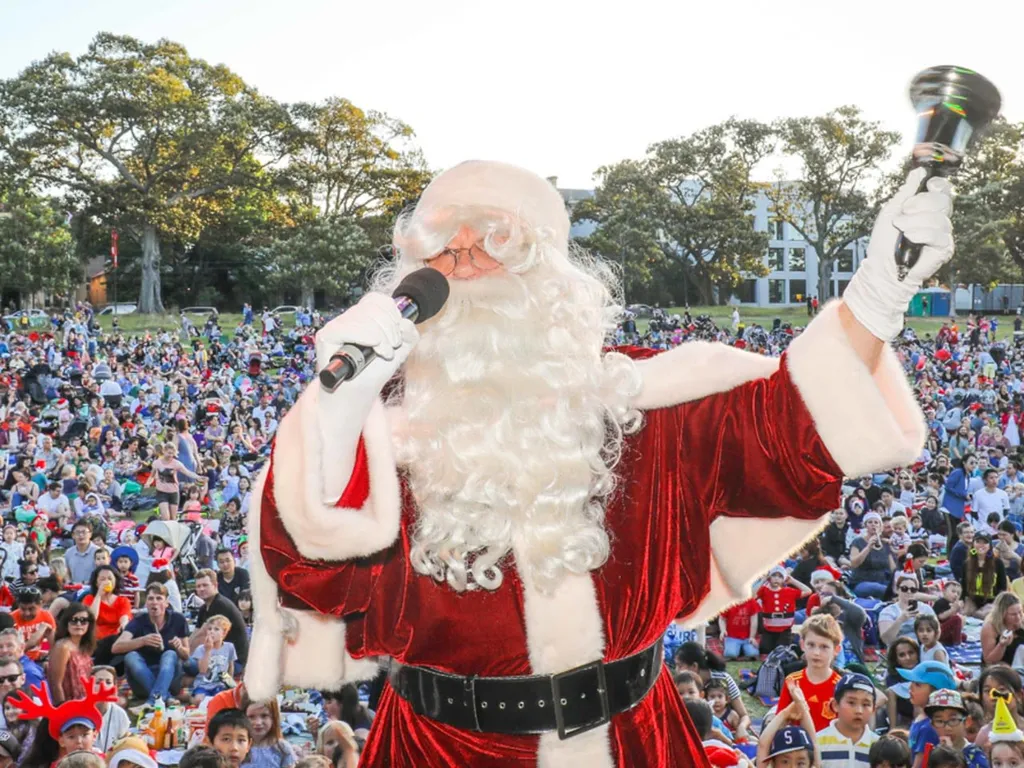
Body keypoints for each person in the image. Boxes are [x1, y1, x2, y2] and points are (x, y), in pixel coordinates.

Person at [249, 160, 955, 766]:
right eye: (442, 248)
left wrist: (878, 291)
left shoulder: (645, 399)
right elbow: (311, 572)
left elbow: (798, 425)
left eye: (492, 242)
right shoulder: (373, 423)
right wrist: (336, 412)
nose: (462, 264)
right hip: (443, 745)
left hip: (636, 736)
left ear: (548, 275)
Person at [110, 583, 189, 707]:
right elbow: (116, 647)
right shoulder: (138, 621)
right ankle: (164, 696)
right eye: (150, 598)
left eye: (159, 598)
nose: (154, 602)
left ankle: (153, 701)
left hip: (170, 678)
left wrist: (179, 647)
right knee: (131, 656)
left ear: (167, 603)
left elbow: (186, 656)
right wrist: (142, 641)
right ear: (146, 603)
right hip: (142, 680)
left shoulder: (177, 619)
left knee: (170, 654)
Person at [11, 679, 117, 768]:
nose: (79, 741)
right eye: (71, 737)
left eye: (84, 735)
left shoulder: (105, 761)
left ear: (94, 735)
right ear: (61, 740)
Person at [774, 615, 844, 733]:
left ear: (836, 650)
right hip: (799, 747)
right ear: (802, 645)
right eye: (811, 645)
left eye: (824, 647)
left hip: (829, 745)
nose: (816, 652)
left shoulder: (840, 686)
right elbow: (780, 720)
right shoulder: (792, 681)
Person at [897, 661, 958, 767]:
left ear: (936, 693)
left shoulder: (928, 727)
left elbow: (919, 764)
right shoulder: (921, 718)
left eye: (917, 684)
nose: (910, 687)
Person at [816, 673, 879, 767]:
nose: (859, 711)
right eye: (851, 703)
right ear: (835, 705)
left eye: (866, 704)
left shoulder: (878, 745)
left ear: (873, 709)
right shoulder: (818, 742)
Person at [189, 570, 249, 668]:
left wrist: (186, 656)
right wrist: (184, 650)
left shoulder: (220, 605)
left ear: (215, 585)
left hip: (233, 661)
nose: (201, 589)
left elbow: (203, 637)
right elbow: (195, 634)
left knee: (187, 667)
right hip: (215, 656)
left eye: (205, 585)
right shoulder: (204, 608)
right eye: (198, 586)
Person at [82, 566, 132, 666]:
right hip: (95, 641)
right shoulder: (89, 599)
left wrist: (123, 625)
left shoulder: (123, 601)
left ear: (115, 581)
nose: (106, 581)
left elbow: (125, 618)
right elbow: (91, 619)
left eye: (110, 578)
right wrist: (99, 595)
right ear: (96, 583)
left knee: (119, 646)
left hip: (116, 641)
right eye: (102, 579)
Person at [924, 689, 986, 767]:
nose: (947, 728)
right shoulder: (933, 756)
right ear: (933, 726)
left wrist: (951, 754)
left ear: (967, 722)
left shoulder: (975, 754)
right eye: (939, 721)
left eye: (953, 720)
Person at [46, 603, 95, 704]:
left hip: (84, 701)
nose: (78, 624)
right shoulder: (62, 647)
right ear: (66, 623)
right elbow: (56, 684)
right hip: (68, 705)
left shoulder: (84, 646)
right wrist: (63, 712)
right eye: (74, 620)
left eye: (83, 621)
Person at [757, 566, 811, 654]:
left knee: (782, 650)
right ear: (769, 578)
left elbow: (808, 591)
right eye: (774, 576)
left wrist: (793, 581)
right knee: (765, 649)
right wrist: (763, 580)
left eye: (780, 576)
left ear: (784, 579)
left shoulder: (790, 591)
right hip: (768, 629)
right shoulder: (764, 591)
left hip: (785, 630)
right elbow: (752, 595)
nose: (776, 579)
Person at [879, 573, 937, 647]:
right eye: (904, 589)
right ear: (897, 590)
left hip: (923, 648)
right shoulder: (888, 611)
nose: (909, 592)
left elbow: (937, 633)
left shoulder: (926, 609)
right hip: (899, 650)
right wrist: (900, 620)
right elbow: (886, 639)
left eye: (913, 590)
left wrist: (922, 622)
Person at [145, 442, 200, 521]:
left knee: (173, 517)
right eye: (169, 453)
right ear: (164, 451)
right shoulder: (156, 463)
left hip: (173, 492)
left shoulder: (176, 463)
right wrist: (148, 483)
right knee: (166, 517)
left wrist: (198, 477)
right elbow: (152, 476)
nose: (170, 455)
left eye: (172, 453)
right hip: (162, 492)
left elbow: (187, 472)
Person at [188, 617, 237, 703]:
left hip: (220, 684)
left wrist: (230, 683)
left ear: (224, 633)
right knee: (199, 700)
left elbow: (231, 666)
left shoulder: (229, 647)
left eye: (216, 629)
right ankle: (190, 698)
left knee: (222, 700)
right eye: (209, 629)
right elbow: (202, 670)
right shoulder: (201, 649)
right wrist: (208, 650)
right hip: (203, 684)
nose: (211, 631)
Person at [963, 532, 1008, 618]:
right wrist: (966, 603)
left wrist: (995, 605)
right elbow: (964, 588)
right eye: (978, 542)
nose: (981, 545)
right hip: (973, 600)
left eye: (985, 542)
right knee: (964, 614)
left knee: (980, 615)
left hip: (992, 601)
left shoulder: (998, 563)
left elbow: (1002, 588)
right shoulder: (967, 564)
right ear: (973, 544)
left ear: (990, 546)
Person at [245, 699, 297, 768]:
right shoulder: (238, 747)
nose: (258, 722)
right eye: (251, 717)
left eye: (264, 716)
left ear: (273, 718)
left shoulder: (281, 748)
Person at [88, 667, 129, 753]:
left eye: (108, 682)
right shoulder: (79, 711)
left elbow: (124, 743)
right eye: (98, 682)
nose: (103, 686)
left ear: (114, 687)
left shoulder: (120, 714)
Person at [11, 589, 55, 663]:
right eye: (23, 609)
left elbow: (55, 646)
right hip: (17, 661)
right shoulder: (11, 619)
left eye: (31, 609)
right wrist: (39, 632)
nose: (27, 613)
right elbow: (17, 651)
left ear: (40, 604)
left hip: (38, 660)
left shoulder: (46, 616)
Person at [982, 593, 1024, 667]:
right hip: (1000, 667)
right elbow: (989, 660)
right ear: (1002, 614)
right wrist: (1002, 645)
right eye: (1013, 614)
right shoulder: (990, 627)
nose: (1018, 617)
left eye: (1020, 612)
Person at [62, 522, 96, 587]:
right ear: (73, 535)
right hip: (74, 589)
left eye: (84, 532)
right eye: (77, 532)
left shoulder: (97, 552)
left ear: (90, 534)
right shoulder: (69, 552)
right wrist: (69, 583)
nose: (81, 535)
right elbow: (67, 573)